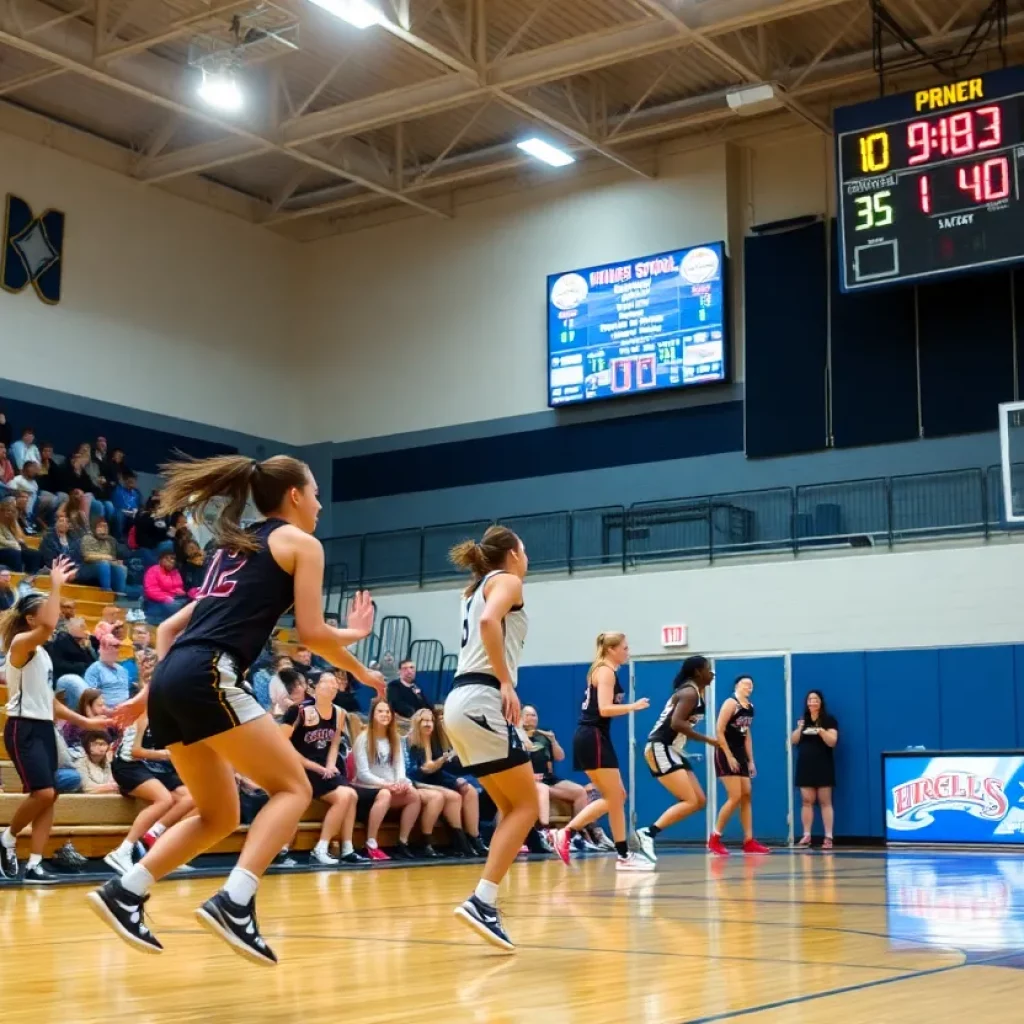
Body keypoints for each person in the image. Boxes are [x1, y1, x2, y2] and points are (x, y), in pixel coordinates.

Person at [87, 453, 385, 964]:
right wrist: (359, 662)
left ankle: (127, 890)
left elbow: (172, 628)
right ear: (294, 494)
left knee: (220, 812)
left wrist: (147, 694)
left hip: (176, 679)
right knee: (293, 787)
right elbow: (312, 634)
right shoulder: (302, 544)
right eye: (314, 492)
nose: (318, 503)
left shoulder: (235, 546)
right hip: (208, 675)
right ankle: (236, 900)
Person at [443, 525, 536, 951]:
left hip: (460, 702)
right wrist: (505, 682)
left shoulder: (474, 588)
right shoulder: (508, 581)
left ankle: (488, 899)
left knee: (510, 806)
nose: (527, 555)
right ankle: (483, 900)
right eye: (525, 548)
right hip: (483, 697)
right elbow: (488, 621)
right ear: (513, 554)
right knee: (528, 806)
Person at [0, 558, 111, 882]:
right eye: (47, 610)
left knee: (51, 796)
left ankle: (35, 863)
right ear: (30, 618)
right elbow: (49, 625)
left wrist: (85, 722)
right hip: (23, 727)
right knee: (44, 793)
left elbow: (48, 700)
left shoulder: (44, 654)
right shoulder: (20, 645)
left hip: (44, 727)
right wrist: (57, 584)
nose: (55, 617)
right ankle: (7, 838)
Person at [552, 633, 651, 871]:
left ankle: (623, 854)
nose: (628, 652)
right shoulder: (605, 671)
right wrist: (633, 707)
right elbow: (605, 709)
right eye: (625, 648)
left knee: (617, 798)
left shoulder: (604, 670)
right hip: (592, 736)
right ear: (611, 650)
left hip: (595, 736)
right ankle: (566, 833)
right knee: (614, 798)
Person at [635, 656, 717, 864]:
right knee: (690, 800)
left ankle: (646, 835)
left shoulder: (696, 692)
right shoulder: (689, 692)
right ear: (698, 672)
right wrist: (708, 740)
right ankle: (647, 833)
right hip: (660, 747)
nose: (712, 673)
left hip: (672, 749)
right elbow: (677, 723)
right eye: (708, 669)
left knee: (699, 800)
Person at [106, 692, 197, 876]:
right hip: (127, 765)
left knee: (193, 798)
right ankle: (123, 850)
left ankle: (162, 844)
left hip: (152, 766)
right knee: (164, 800)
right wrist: (166, 755)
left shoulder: (170, 719)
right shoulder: (144, 714)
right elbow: (136, 751)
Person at [281, 671, 365, 866]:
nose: (332, 686)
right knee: (345, 795)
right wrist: (317, 768)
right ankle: (320, 847)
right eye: (326, 683)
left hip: (324, 767)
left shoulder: (340, 712)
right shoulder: (298, 710)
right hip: (299, 766)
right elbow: (282, 745)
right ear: (314, 687)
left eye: (335, 684)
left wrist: (329, 765)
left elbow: (334, 744)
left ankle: (347, 848)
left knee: (351, 795)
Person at [406, 707, 483, 857]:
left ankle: (474, 838)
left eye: (430, 721)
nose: (428, 724)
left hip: (434, 778)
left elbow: (437, 770)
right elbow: (413, 772)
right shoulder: (410, 742)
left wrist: (454, 779)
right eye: (424, 721)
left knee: (469, 790)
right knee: (453, 797)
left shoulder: (435, 741)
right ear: (416, 722)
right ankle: (459, 842)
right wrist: (433, 766)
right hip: (416, 781)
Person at [353, 698, 423, 860]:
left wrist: (400, 782)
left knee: (413, 795)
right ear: (372, 715)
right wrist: (387, 785)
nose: (385, 714)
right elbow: (363, 773)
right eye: (380, 711)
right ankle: (371, 843)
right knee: (385, 794)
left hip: (390, 786)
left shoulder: (395, 738)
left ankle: (402, 842)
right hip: (367, 787)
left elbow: (399, 766)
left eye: (387, 712)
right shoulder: (363, 738)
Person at [709, 675, 770, 856]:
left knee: (746, 795)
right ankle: (714, 837)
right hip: (725, 751)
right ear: (737, 685)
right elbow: (719, 730)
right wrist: (728, 756)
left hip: (740, 753)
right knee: (734, 796)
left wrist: (750, 760)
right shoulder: (730, 703)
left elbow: (746, 735)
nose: (749, 686)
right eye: (745, 683)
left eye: (751, 684)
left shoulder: (750, 708)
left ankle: (749, 840)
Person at [521, 704, 591, 848]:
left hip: (549, 779)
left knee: (580, 792)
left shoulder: (544, 735)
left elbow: (560, 757)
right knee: (543, 790)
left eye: (534, 715)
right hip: (529, 781)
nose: (531, 718)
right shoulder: (518, 736)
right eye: (527, 715)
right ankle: (544, 831)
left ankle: (575, 833)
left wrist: (553, 740)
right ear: (520, 718)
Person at [792, 690, 839, 850]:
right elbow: (793, 740)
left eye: (816, 699)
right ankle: (806, 835)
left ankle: (828, 836)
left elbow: (832, 741)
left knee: (825, 801)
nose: (813, 702)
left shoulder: (828, 720)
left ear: (821, 702)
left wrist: (821, 731)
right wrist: (799, 729)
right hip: (805, 764)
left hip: (823, 763)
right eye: (810, 699)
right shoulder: (803, 720)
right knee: (806, 801)